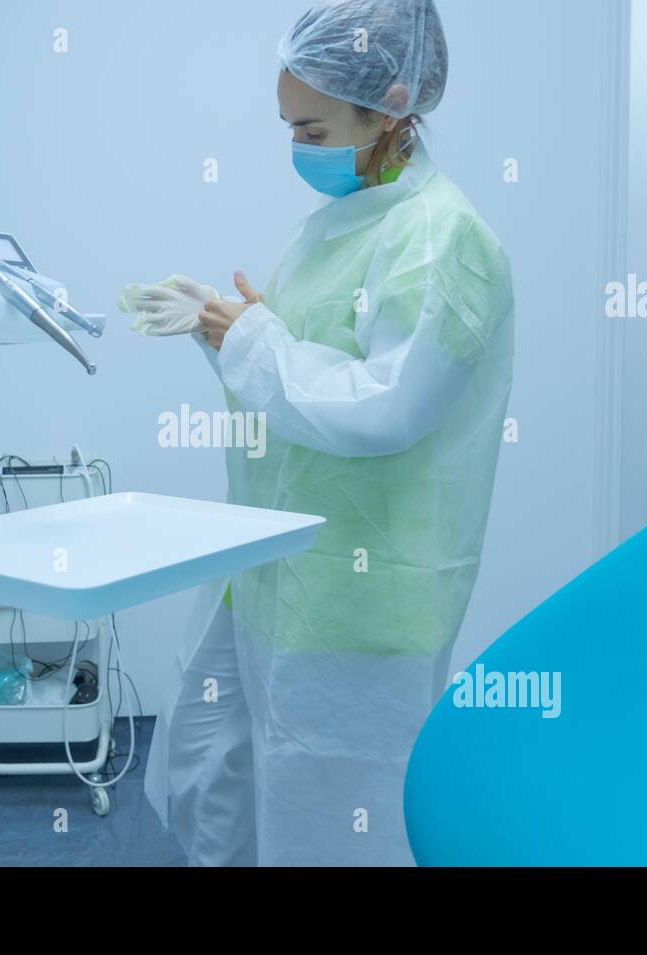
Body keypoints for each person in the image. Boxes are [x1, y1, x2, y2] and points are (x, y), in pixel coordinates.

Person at [143, 0, 515, 866]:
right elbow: (297, 371)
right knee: (218, 768)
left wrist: (251, 339)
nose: (299, 148)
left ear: (388, 106)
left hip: (360, 592)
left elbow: (383, 407)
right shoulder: (332, 227)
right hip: (272, 567)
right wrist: (226, 328)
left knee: (330, 814)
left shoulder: (442, 237)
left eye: (311, 127)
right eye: (289, 127)